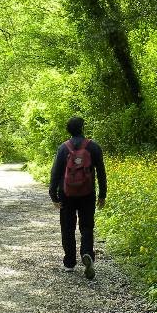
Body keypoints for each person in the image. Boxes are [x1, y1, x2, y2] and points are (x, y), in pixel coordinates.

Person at [49, 116, 107, 279]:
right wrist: (102, 194)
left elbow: (56, 172)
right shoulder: (93, 147)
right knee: (87, 226)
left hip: (66, 194)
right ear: (82, 128)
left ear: (69, 130)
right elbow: (101, 172)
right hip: (87, 193)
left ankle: (69, 263)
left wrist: (53, 194)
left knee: (67, 227)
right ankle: (87, 253)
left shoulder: (63, 148)